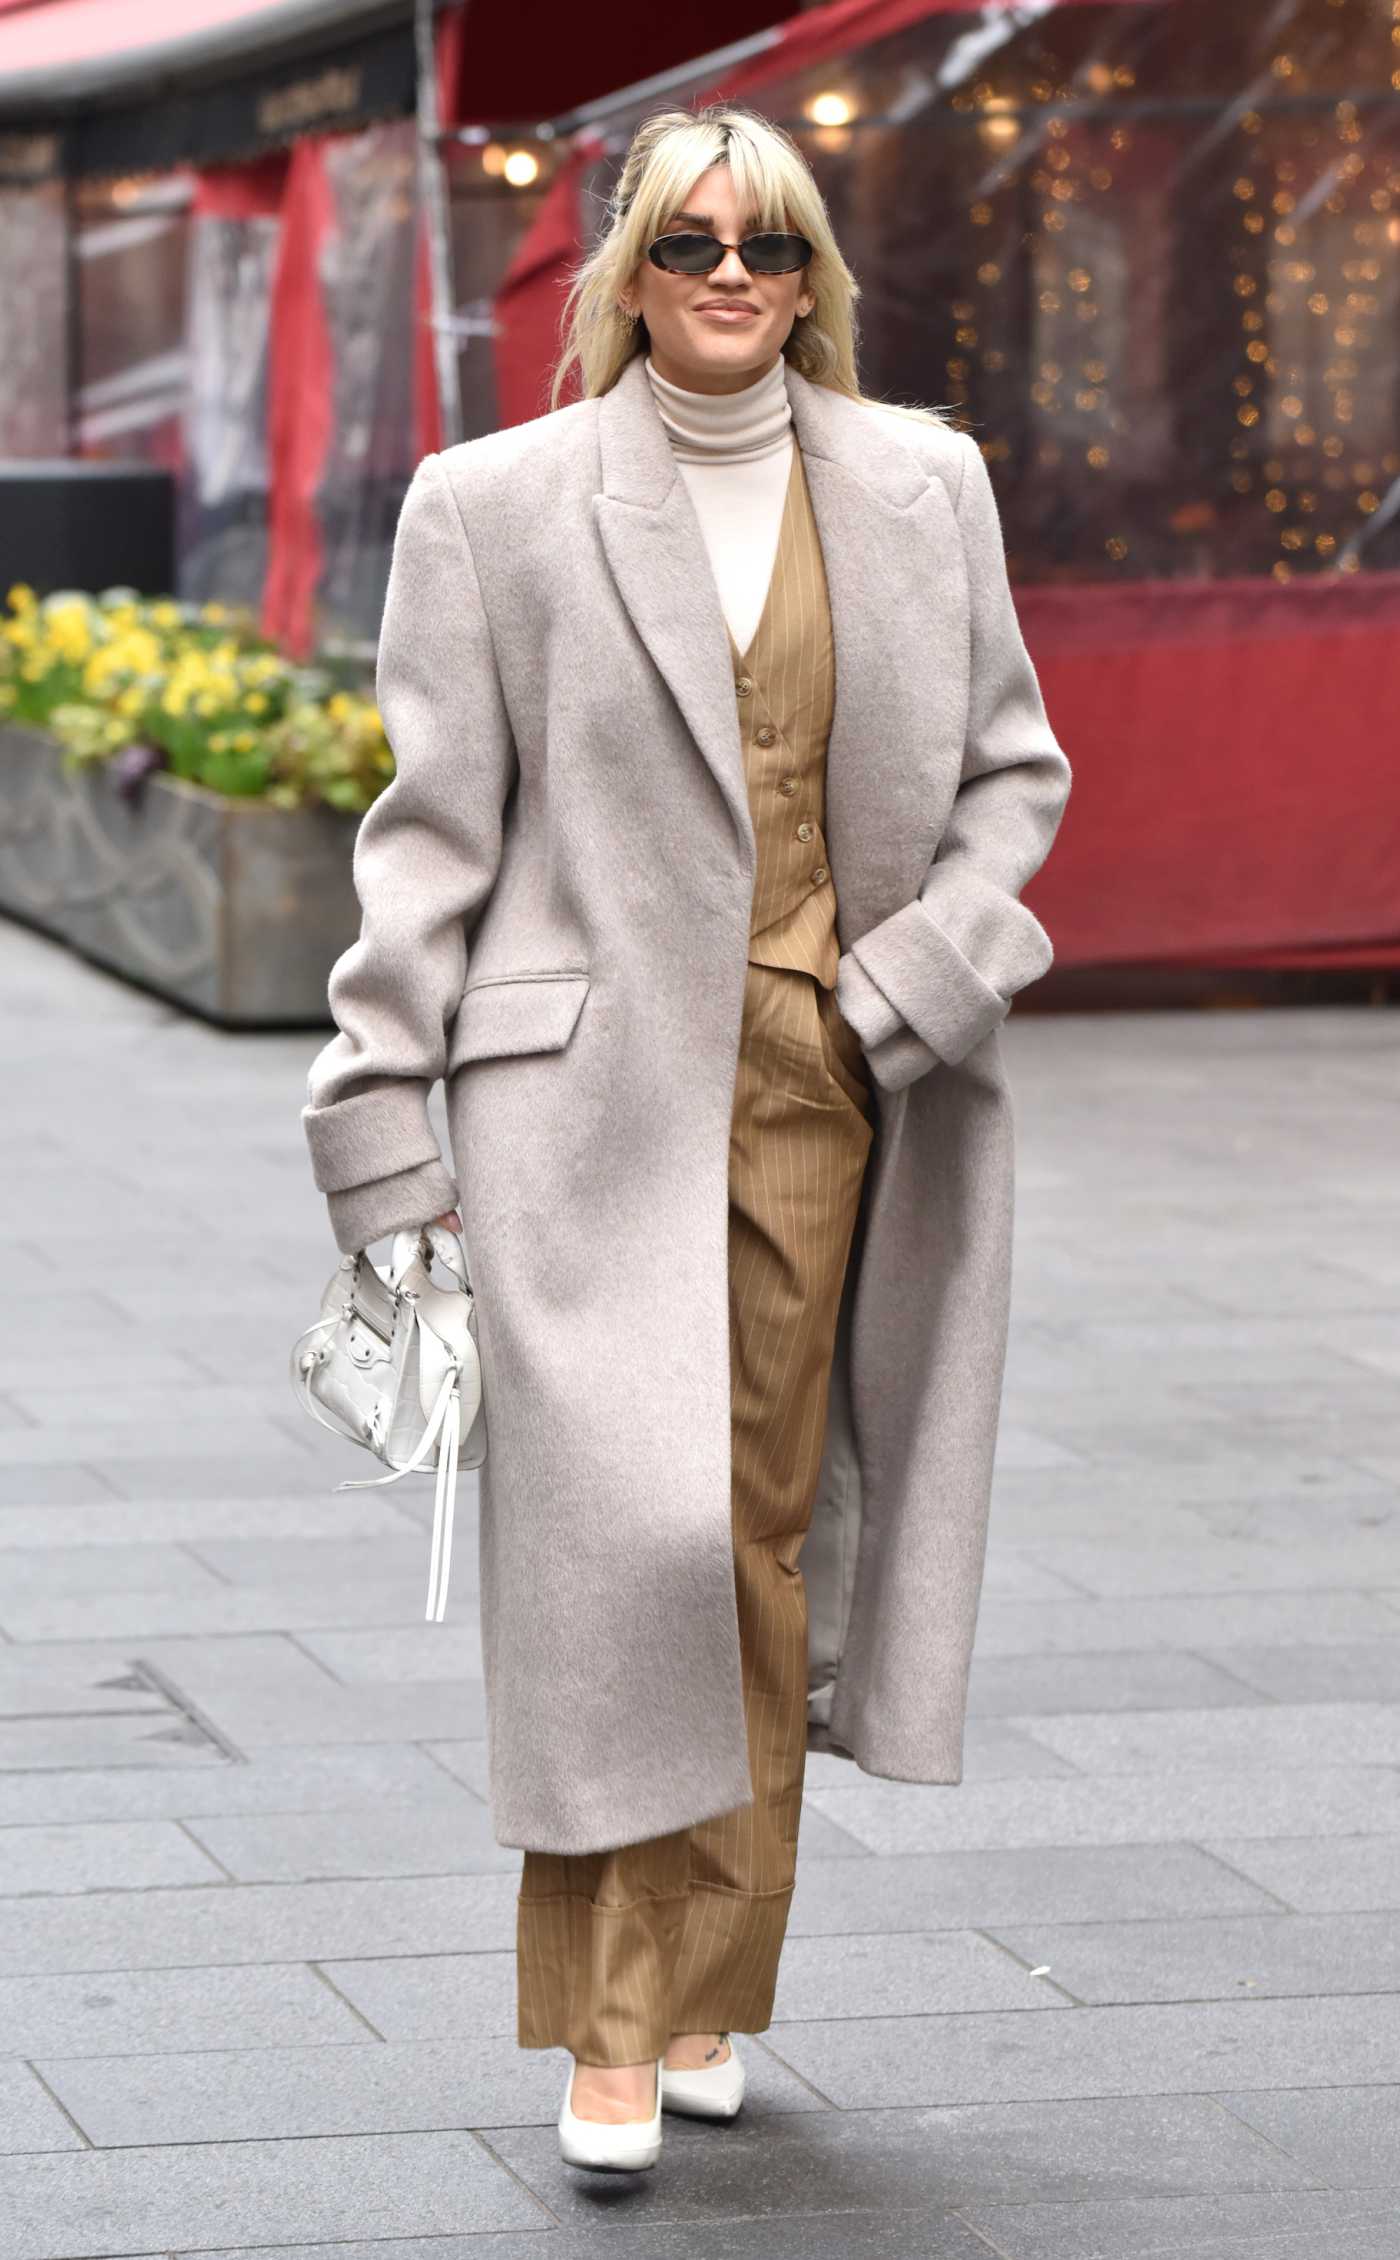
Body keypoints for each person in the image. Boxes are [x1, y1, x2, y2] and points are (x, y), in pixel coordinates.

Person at [302, 100, 1071, 2175]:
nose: (729, 274)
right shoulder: (494, 505)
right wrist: (378, 1112)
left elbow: (1014, 774)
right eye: (686, 242)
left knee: (752, 1537)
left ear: (812, 274)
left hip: (839, 1091)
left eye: (768, 243)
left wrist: (920, 978)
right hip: (577, 1111)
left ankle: (706, 1990)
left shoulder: (924, 486)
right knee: (625, 1552)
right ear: (625, 272)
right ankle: (623, 2025)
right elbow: (430, 842)